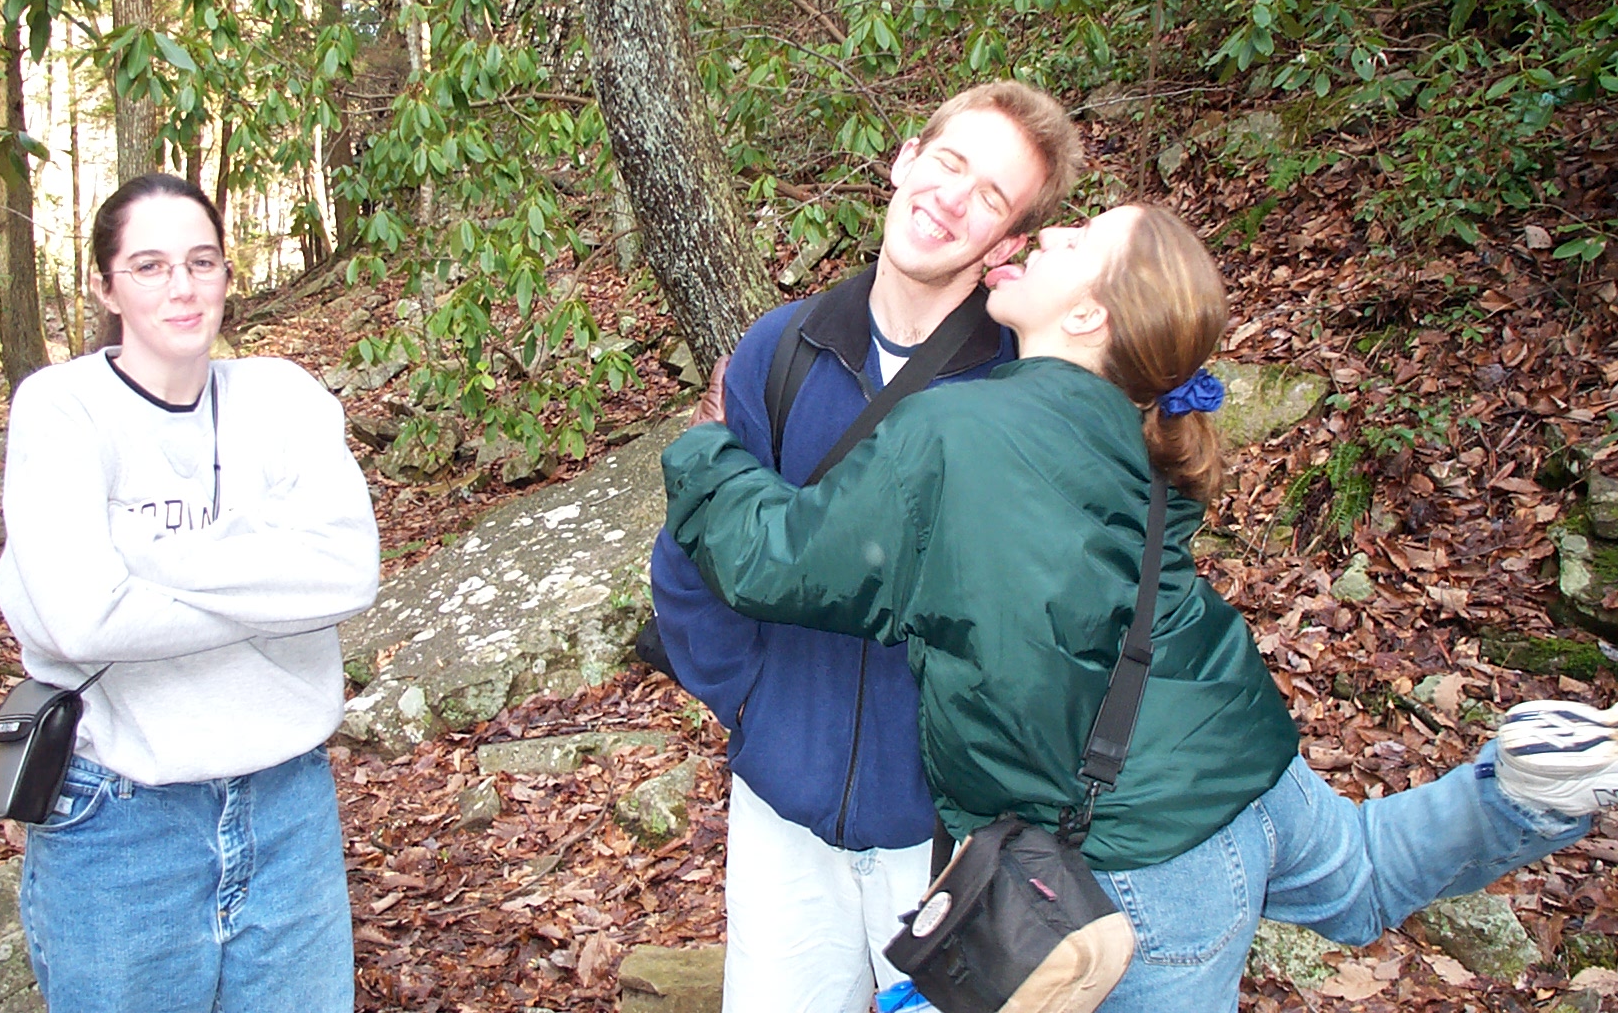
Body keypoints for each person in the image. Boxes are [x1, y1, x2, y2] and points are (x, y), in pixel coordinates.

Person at [661, 203, 1603, 1011]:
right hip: (1250, 770)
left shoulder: (957, 429)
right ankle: (1530, 788)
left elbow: (779, 563)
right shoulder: (1136, 437)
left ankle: (1536, 782)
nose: (1051, 234)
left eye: (1077, 242)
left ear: (1084, 312)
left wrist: (706, 451)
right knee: (1358, 878)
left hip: (1140, 862)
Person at [649, 81, 1083, 1010]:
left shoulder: (1017, 392)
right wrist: (755, 704)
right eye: (948, 163)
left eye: (992, 196)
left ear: (1007, 244)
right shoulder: (783, 351)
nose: (952, 199)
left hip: (944, 848)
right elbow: (690, 558)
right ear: (904, 162)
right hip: (779, 821)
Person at [0, 173, 380, 1013]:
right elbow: (80, 616)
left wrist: (137, 552)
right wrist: (268, 567)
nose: (181, 287)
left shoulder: (281, 397)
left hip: (287, 808)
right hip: (120, 826)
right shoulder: (62, 410)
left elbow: (348, 571)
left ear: (227, 276)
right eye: (150, 265)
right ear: (105, 286)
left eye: (201, 262)